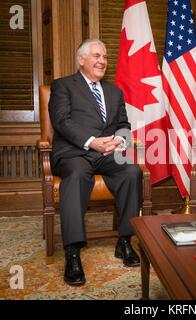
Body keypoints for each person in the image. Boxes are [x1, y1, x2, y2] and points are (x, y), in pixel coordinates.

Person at [48, 38, 142, 286]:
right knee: (78, 175)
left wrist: (119, 143)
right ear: (81, 60)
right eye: (96, 56)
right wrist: (92, 141)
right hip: (73, 153)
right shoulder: (63, 86)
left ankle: (124, 241)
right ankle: (73, 252)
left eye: (105, 57)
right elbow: (61, 121)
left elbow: (123, 124)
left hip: (106, 154)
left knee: (132, 171)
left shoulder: (114, 92)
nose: (102, 61)